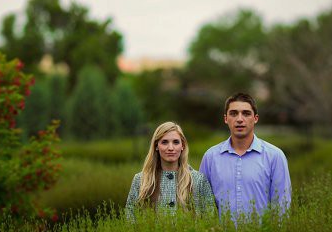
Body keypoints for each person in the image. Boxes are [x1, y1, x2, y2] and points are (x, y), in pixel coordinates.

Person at [199, 92, 292, 220]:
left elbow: (282, 205)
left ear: (255, 119)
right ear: (226, 119)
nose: (239, 119)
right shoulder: (210, 157)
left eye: (246, 113)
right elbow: (202, 205)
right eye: (233, 113)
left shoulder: (275, 156)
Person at [125, 122, 216, 221]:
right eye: (164, 142)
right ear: (156, 146)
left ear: (182, 146)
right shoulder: (140, 180)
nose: (171, 148)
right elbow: (130, 219)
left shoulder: (198, 180)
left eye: (176, 142)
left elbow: (209, 218)